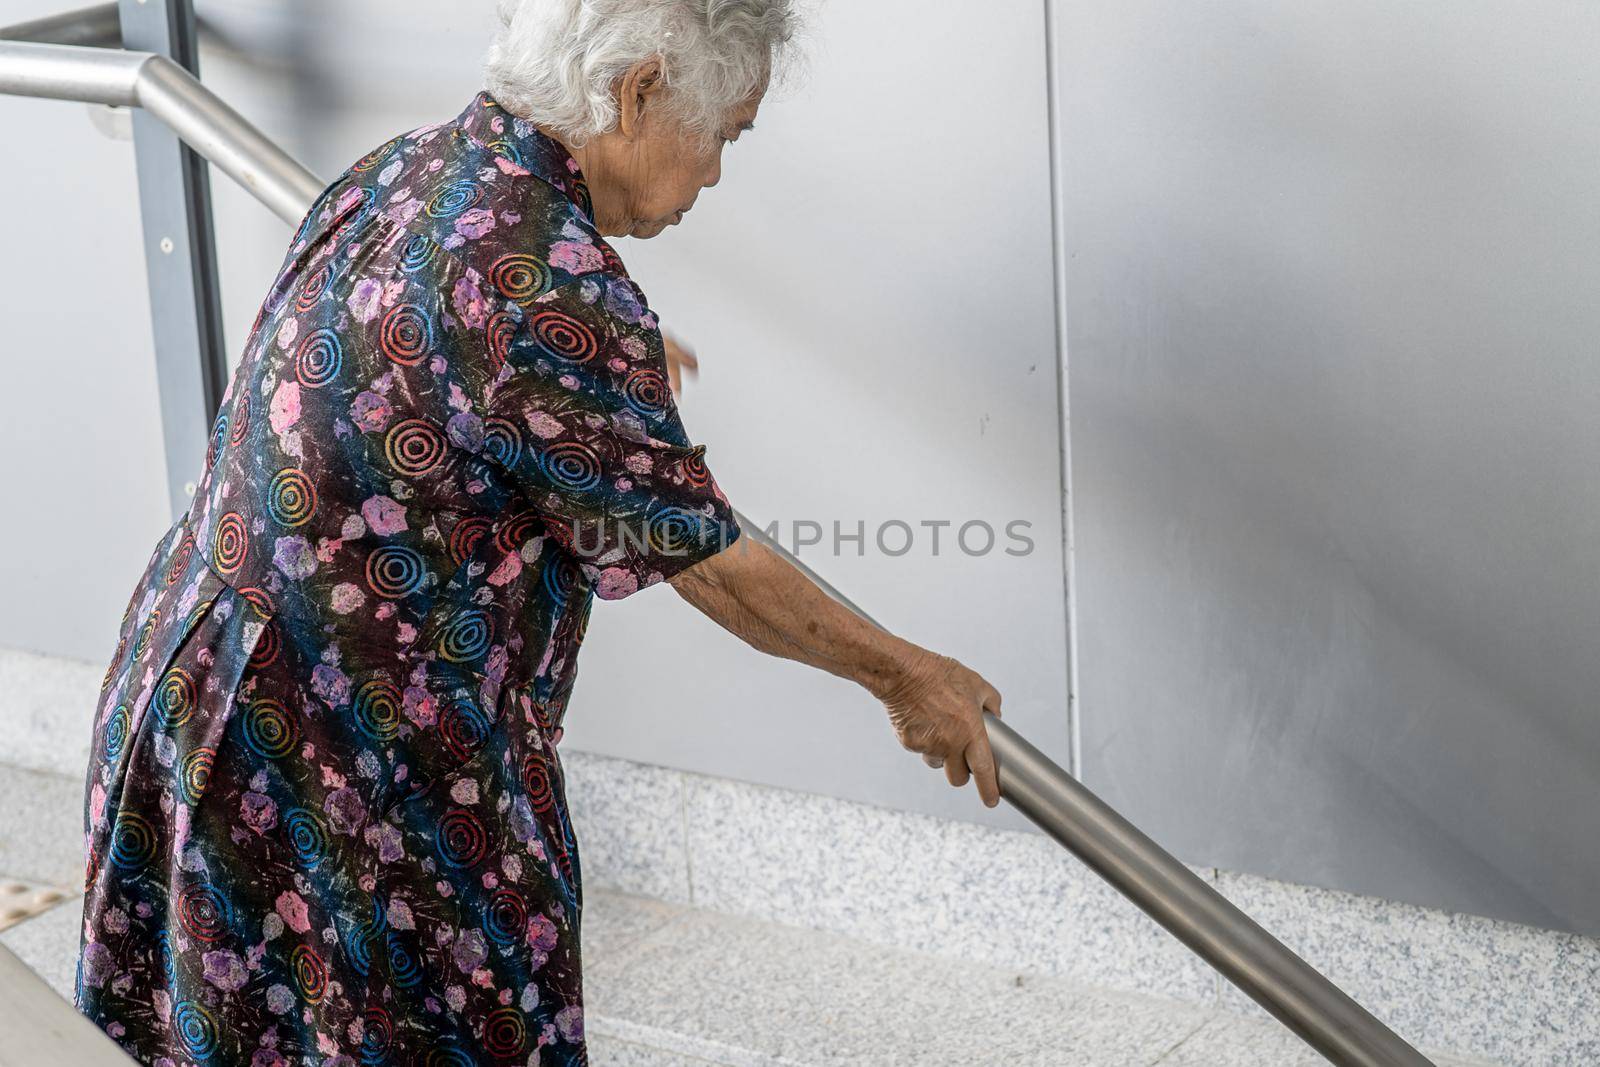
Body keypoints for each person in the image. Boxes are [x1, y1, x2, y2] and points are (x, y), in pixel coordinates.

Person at [75, 1, 1003, 1063]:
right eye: (723, 137)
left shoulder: (416, 167)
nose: (712, 175)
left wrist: (612, 375)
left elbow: (450, 354)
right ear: (639, 90)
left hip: (204, 683)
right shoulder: (544, 281)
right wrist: (904, 675)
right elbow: (712, 563)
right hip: (335, 761)